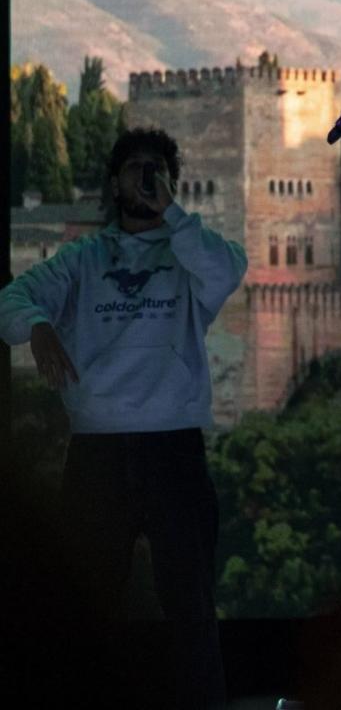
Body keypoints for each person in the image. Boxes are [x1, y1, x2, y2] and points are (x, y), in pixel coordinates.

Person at [0, 128, 247, 708]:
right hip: (98, 454)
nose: (144, 177)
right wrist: (37, 326)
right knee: (86, 606)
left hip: (174, 450)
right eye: (135, 168)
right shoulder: (83, 260)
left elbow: (227, 269)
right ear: (114, 181)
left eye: (156, 169)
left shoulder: (190, 257)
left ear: (170, 181)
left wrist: (174, 214)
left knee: (190, 606)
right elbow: (10, 299)